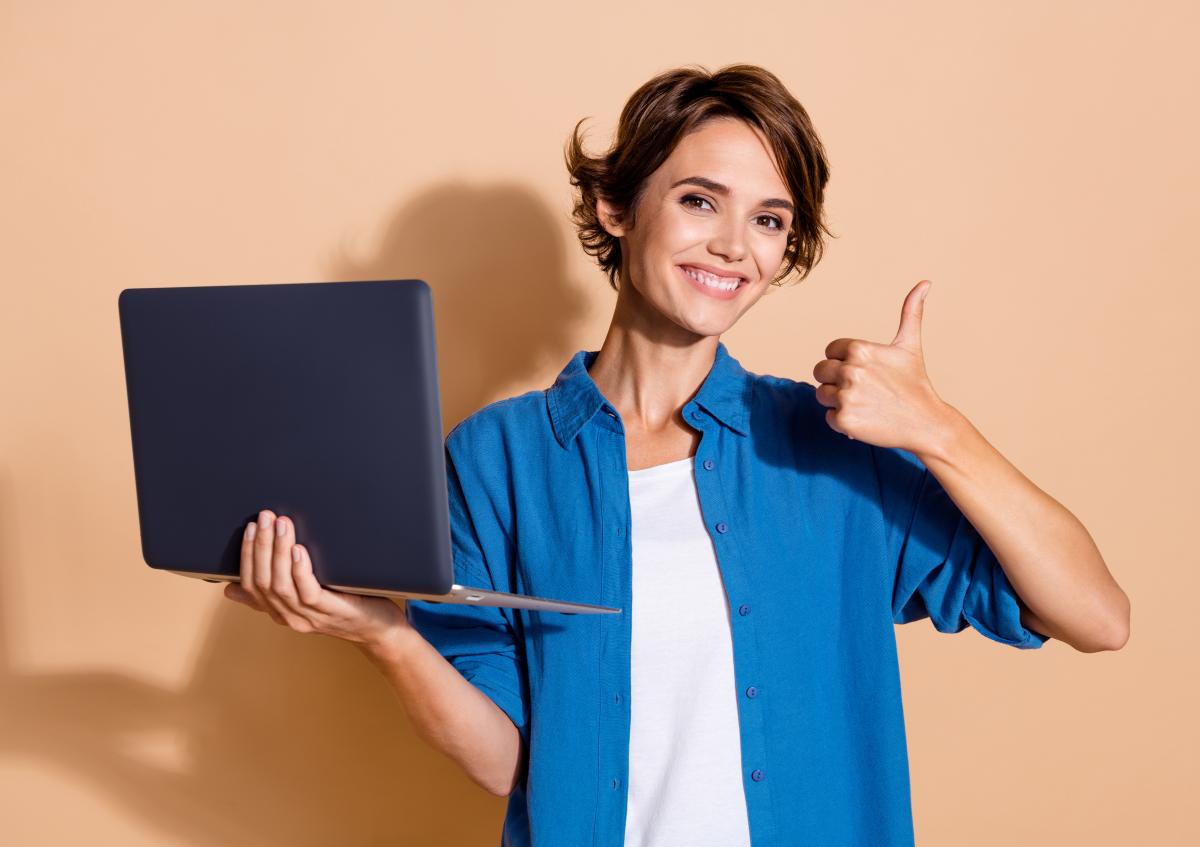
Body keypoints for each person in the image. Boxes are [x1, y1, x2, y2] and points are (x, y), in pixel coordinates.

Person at [223, 64, 1131, 846]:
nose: (734, 246)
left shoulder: (832, 447)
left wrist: (939, 428)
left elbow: (1097, 614)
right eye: (700, 201)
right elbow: (504, 761)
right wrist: (381, 633)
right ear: (614, 206)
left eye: (771, 220)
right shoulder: (495, 458)